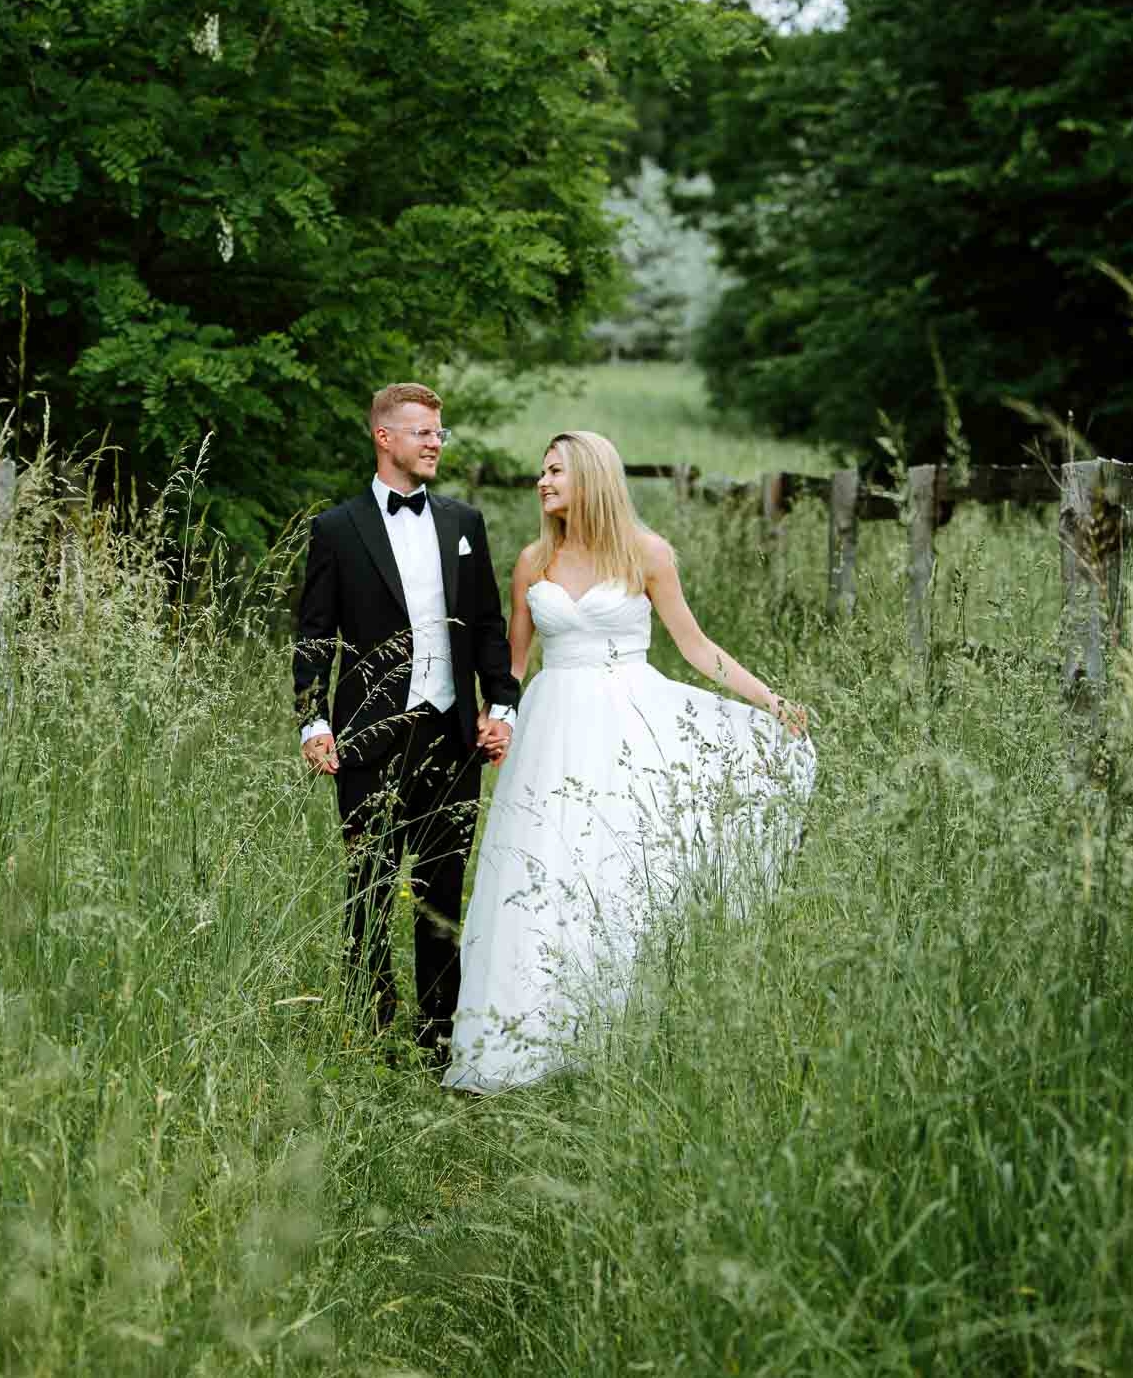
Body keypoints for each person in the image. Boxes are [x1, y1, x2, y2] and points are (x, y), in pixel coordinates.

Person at [443, 430, 816, 1095]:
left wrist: (770, 698)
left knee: (618, 872)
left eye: (555, 471)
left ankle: (612, 1034)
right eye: (541, 471)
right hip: (553, 728)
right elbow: (516, 666)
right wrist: (498, 718)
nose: (542, 482)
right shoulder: (534, 559)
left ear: (590, 476)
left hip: (629, 723)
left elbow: (696, 646)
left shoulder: (646, 553)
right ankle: (525, 1036)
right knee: (543, 868)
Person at [294, 382, 520, 1068]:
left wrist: (501, 706)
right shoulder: (336, 529)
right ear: (384, 437)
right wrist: (314, 721)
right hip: (367, 738)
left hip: (452, 732)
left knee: (442, 889)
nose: (434, 443)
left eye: (439, 433)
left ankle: (439, 1035)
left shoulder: (463, 523)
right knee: (367, 886)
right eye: (422, 431)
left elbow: (488, 624)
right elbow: (314, 635)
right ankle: (370, 1030)